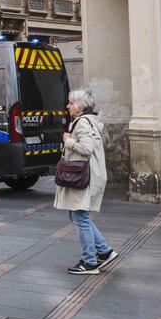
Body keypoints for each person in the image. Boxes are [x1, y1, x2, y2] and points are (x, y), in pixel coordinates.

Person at [56, 89, 119, 275]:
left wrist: (68, 141)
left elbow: (86, 148)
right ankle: (104, 251)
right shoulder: (87, 120)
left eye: (71, 103)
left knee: (80, 217)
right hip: (86, 175)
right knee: (76, 216)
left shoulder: (83, 122)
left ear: (81, 105)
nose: (68, 106)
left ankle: (90, 261)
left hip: (83, 177)